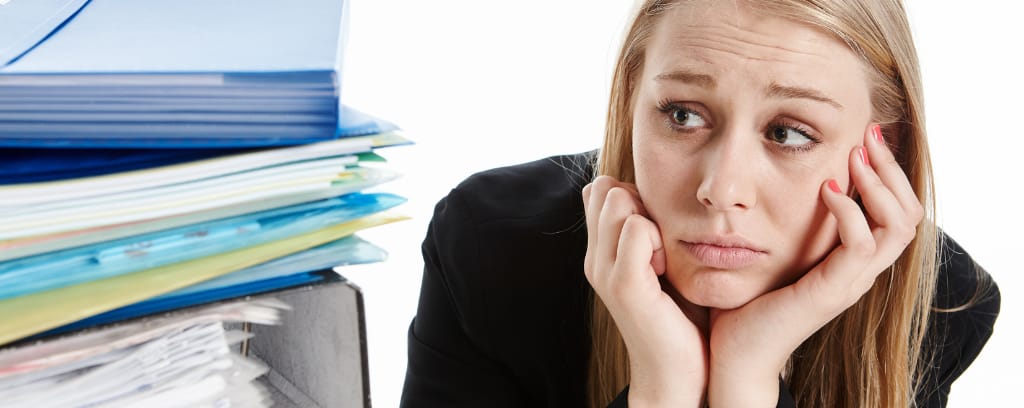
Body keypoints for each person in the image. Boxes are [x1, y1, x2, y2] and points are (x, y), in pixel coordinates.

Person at [400, 0, 1000, 406]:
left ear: (881, 149)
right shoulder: (490, 246)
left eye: (788, 132)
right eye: (683, 115)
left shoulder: (941, 307)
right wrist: (663, 387)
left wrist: (747, 378)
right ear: (632, 102)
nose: (721, 188)